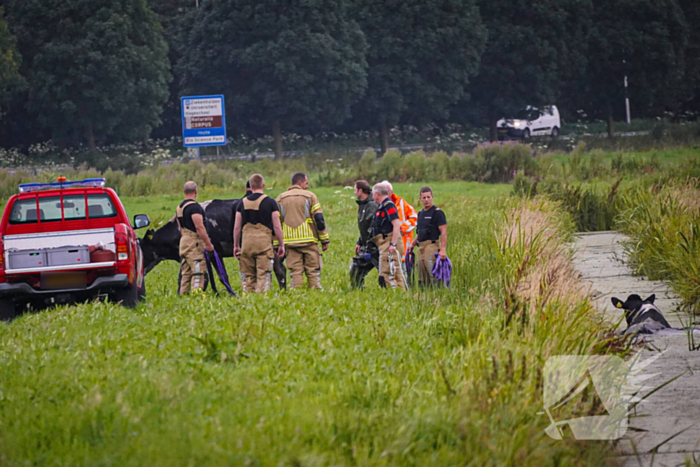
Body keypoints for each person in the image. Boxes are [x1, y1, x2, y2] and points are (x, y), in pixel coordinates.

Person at [276, 172, 330, 289]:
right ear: (300, 183)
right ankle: (315, 290)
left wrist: (277, 244)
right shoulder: (310, 196)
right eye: (306, 183)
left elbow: (276, 223)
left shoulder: (280, 198)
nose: (307, 186)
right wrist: (324, 239)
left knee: (295, 271)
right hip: (309, 240)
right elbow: (319, 219)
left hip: (290, 241)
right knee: (313, 270)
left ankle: (297, 291)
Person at [233, 174, 285, 293]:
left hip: (246, 243)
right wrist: (281, 244)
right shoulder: (270, 202)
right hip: (263, 244)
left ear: (250, 186)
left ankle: (248, 296)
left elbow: (236, 227)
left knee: (248, 275)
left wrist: (236, 245)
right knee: (264, 274)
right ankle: (262, 297)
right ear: (263, 185)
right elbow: (277, 226)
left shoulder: (241, 203)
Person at [176, 181, 215, 294]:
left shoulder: (179, 208)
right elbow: (199, 227)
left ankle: (183, 295)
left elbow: (180, 228)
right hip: (194, 242)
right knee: (198, 271)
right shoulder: (195, 208)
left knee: (186, 273)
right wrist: (208, 244)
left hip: (184, 241)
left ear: (184, 191)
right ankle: (196, 296)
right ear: (196, 192)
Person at [407, 186, 447, 287]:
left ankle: (438, 294)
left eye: (428, 197)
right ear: (420, 199)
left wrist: (443, 249)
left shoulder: (438, 213)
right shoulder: (420, 213)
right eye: (424, 198)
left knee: (432, 273)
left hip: (431, 246)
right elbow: (419, 232)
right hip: (421, 247)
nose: (426, 200)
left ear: (432, 197)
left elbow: (444, 232)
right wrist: (412, 244)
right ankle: (424, 296)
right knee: (422, 276)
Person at [371, 183, 408, 290]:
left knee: (389, 271)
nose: (372, 197)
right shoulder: (381, 207)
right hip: (383, 243)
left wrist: (393, 244)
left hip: (389, 242)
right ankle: (400, 294)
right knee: (392, 271)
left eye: (373, 194)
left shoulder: (389, 205)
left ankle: (394, 294)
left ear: (377, 194)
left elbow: (396, 224)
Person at [350, 180, 379, 288]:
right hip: (367, 245)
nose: (354, 193)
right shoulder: (363, 205)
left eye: (355, 190)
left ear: (361, 191)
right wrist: (359, 242)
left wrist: (369, 247)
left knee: (384, 272)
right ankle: (357, 289)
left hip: (375, 246)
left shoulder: (371, 206)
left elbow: (372, 227)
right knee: (356, 267)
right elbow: (364, 228)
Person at [381, 181, 417, 261]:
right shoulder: (378, 205)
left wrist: (403, 228)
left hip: (402, 245)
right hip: (385, 246)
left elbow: (414, 217)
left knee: (403, 271)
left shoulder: (401, 203)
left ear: (391, 192)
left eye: (386, 192)